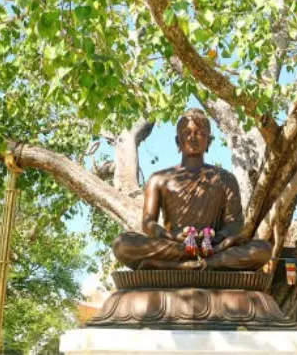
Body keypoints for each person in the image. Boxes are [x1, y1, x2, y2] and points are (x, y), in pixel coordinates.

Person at [112, 109, 272, 270]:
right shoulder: (158, 179)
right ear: (177, 141)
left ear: (209, 141)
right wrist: (171, 236)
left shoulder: (225, 179)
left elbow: (234, 224)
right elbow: (148, 223)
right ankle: (197, 261)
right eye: (186, 132)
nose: (192, 137)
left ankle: (188, 264)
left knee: (263, 249)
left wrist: (217, 239)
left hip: (213, 247)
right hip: (176, 244)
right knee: (122, 244)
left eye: (200, 133)